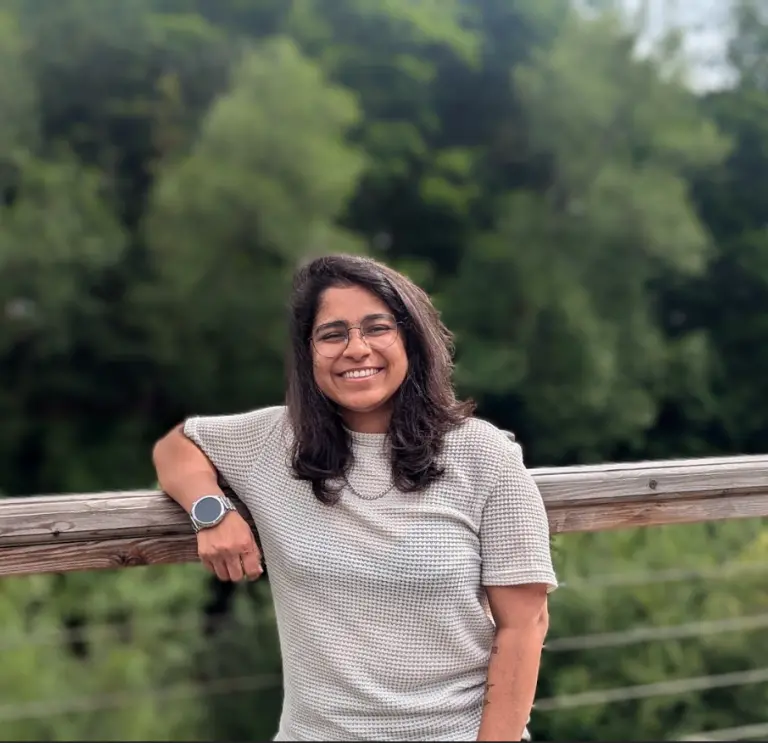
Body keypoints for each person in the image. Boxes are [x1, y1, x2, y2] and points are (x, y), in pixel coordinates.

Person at [152, 254, 557, 742]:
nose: (356, 349)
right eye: (332, 334)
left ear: (411, 339)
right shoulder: (275, 441)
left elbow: (525, 624)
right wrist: (211, 511)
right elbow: (177, 444)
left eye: (377, 328)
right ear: (309, 353)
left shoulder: (482, 454)